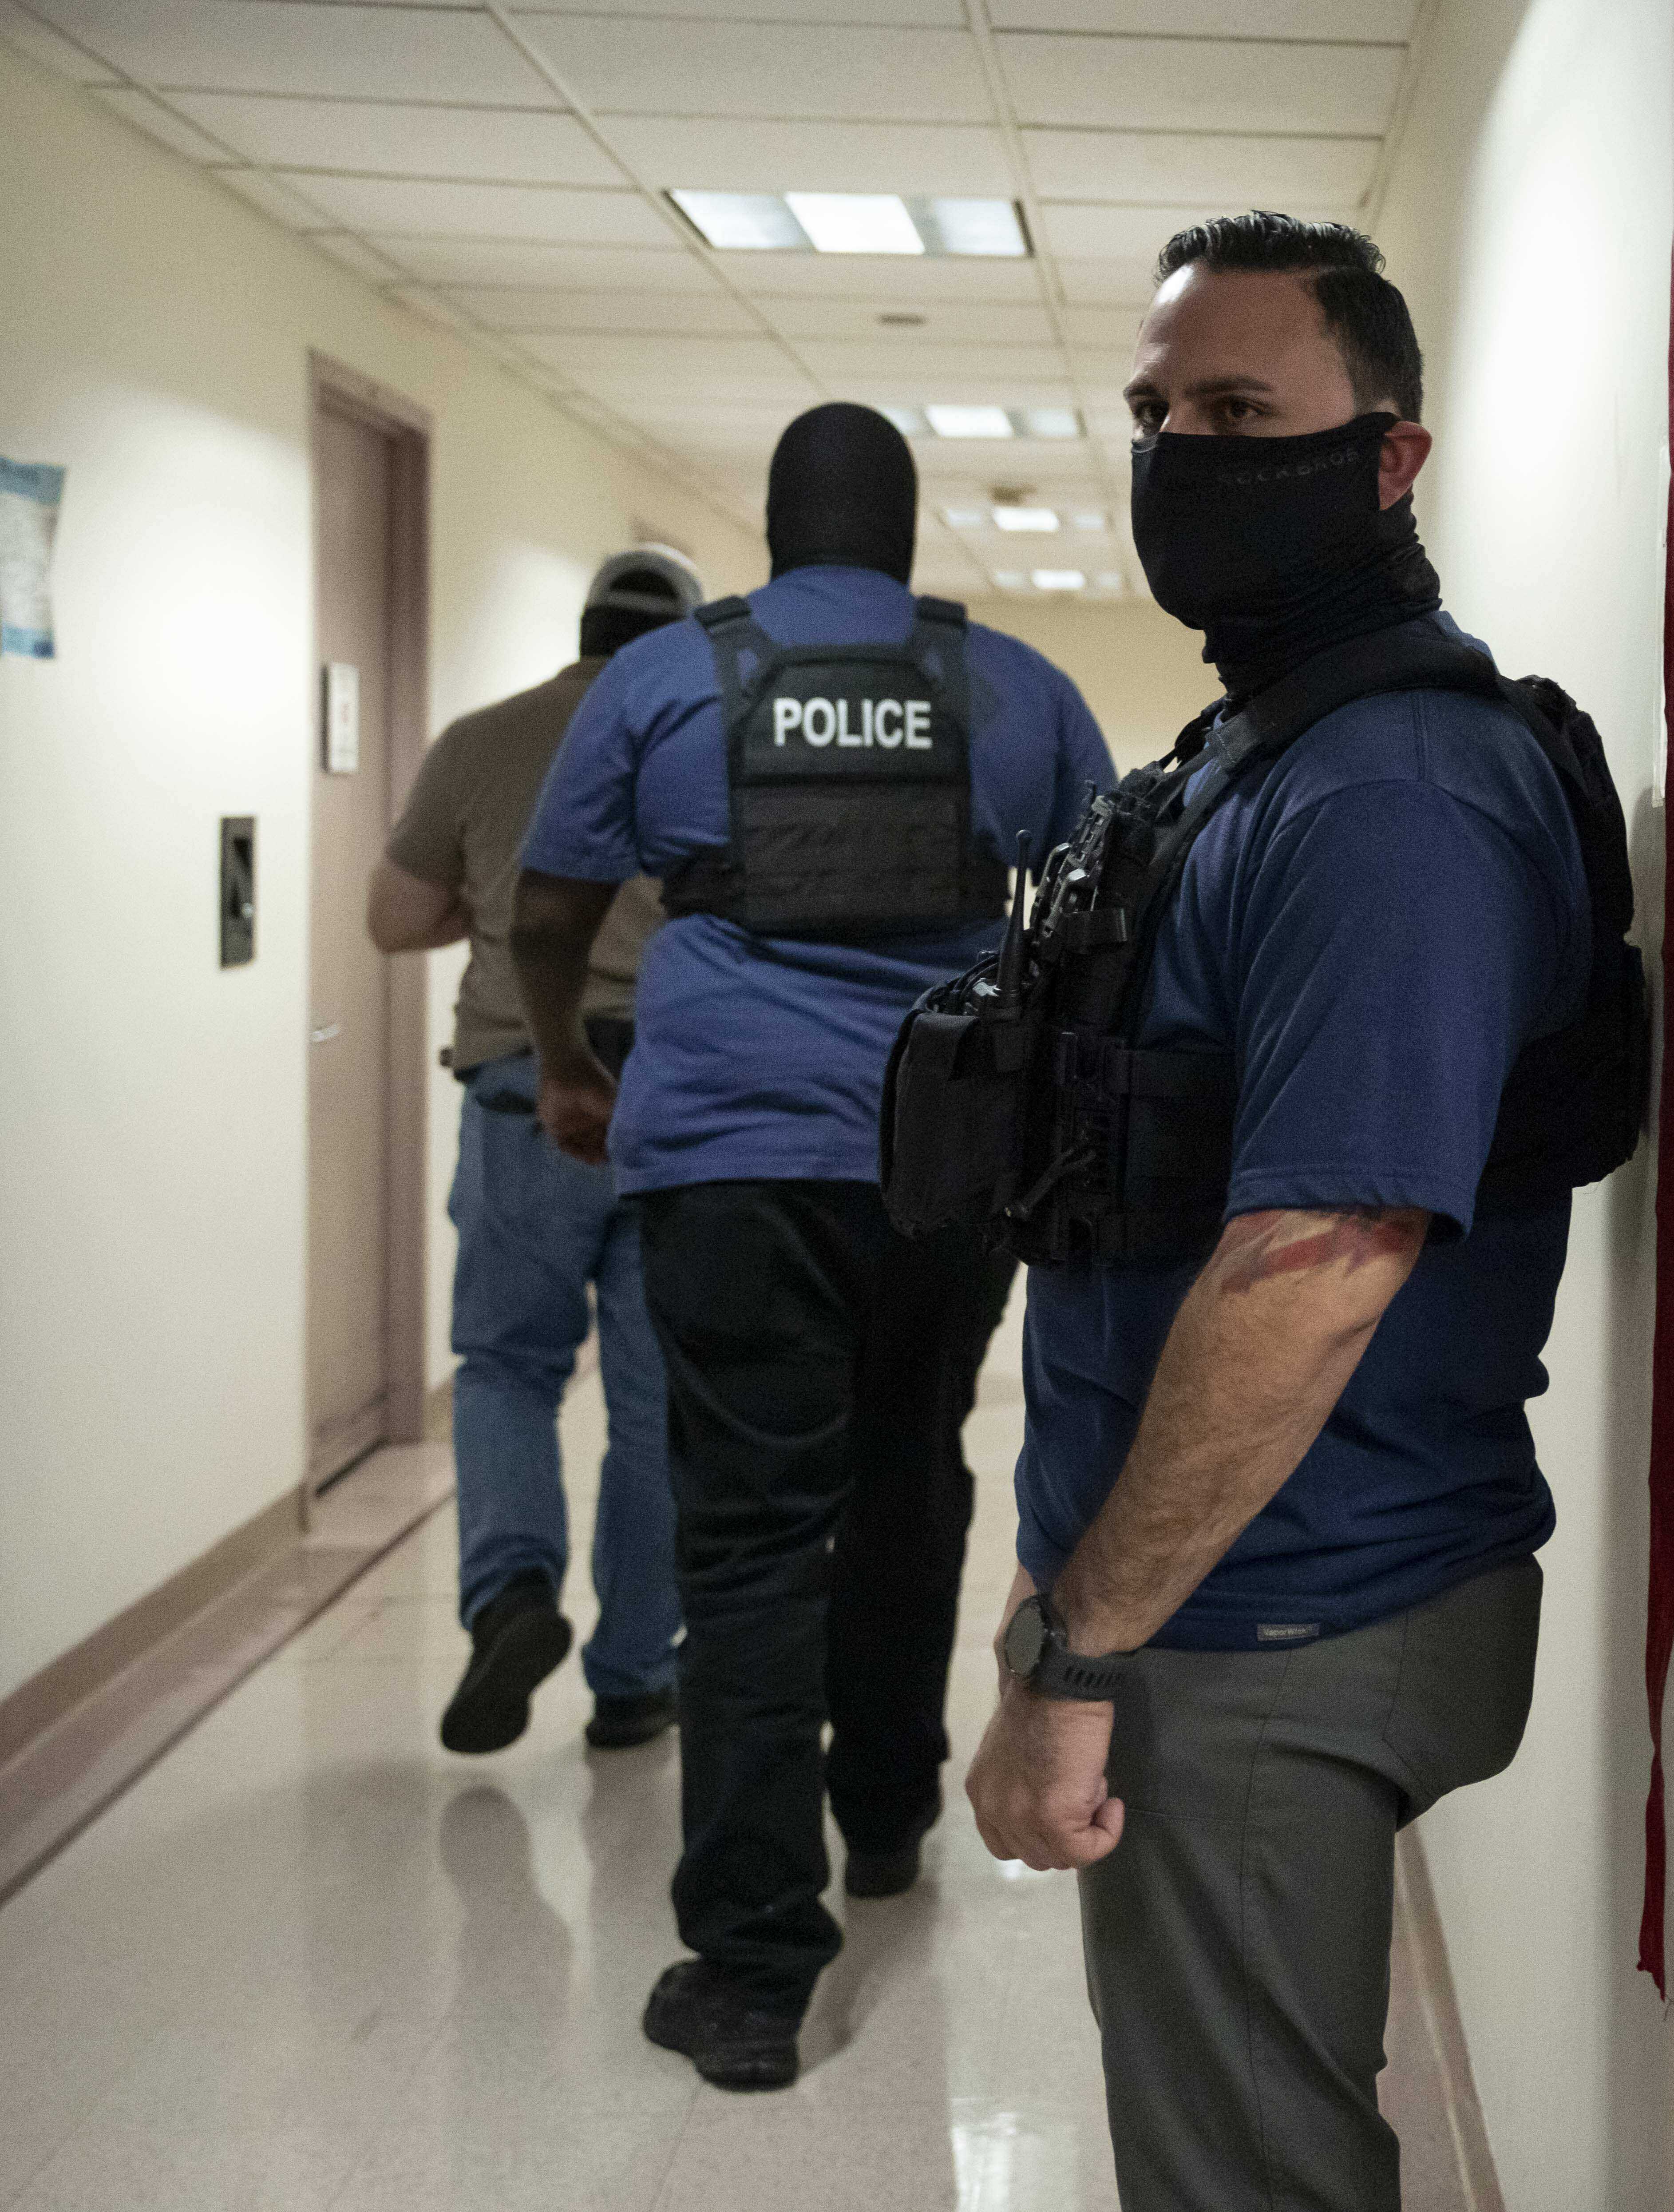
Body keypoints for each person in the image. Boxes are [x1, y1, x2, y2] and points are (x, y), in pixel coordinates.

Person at [957, 213, 1642, 2212]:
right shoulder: (1264, 757)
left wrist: (1075, 1652)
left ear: (1389, 453)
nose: (1180, 454)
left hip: (1270, 1606)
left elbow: (1317, 1263)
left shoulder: (1388, 797)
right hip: (1241, 1578)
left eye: (1240, 408)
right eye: (1155, 410)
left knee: (1238, 2180)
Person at [510, 405, 1113, 2092]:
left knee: (754, 1537)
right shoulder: (1013, 690)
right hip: (941, 1161)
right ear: (906, 536)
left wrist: (564, 1055)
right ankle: (890, 1815)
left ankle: (756, 1965)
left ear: (775, 532)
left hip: (724, 1160)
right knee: (912, 1477)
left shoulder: (664, 680)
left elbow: (548, 906)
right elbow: (1099, 912)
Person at [368, 548, 703, 1758]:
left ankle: (511, 1594)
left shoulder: (480, 739)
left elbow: (395, 919)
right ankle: (631, 1681)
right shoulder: (698, 742)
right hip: (670, 1105)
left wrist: (489, 901)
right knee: (655, 1404)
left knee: (506, 1367)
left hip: (524, 1089)